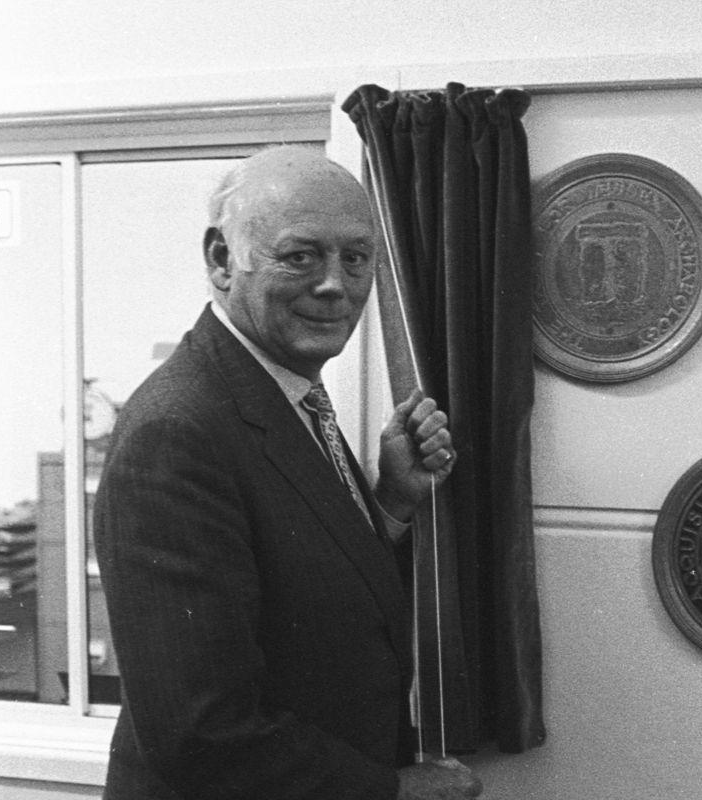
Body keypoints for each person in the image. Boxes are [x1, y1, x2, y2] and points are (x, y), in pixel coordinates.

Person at [93, 146, 481, 800]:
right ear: (221, 260)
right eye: (301, 255)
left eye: (355, 258)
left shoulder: (286, 397)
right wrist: (395, 791)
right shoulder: (177, 432)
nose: (335, 285)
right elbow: (202, 733)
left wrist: (390, 503)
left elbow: (309, 598)